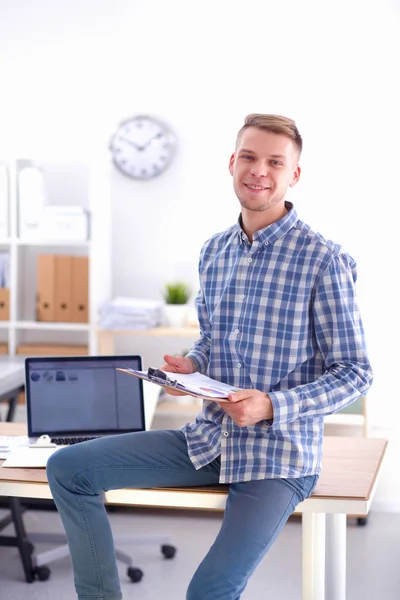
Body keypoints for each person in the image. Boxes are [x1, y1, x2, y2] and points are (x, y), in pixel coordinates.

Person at [46, 114, 373, 600]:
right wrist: (192, 367)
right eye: (249, 157)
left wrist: (270, 405)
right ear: (232, 163)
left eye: (275, 162)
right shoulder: (214, 251)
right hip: (206, 441)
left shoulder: (324, 260)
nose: (259, 170)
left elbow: (356, 372)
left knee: (209, 591)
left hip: (278, 456)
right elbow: (213, 340)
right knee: (68, 469)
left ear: (294, 175)